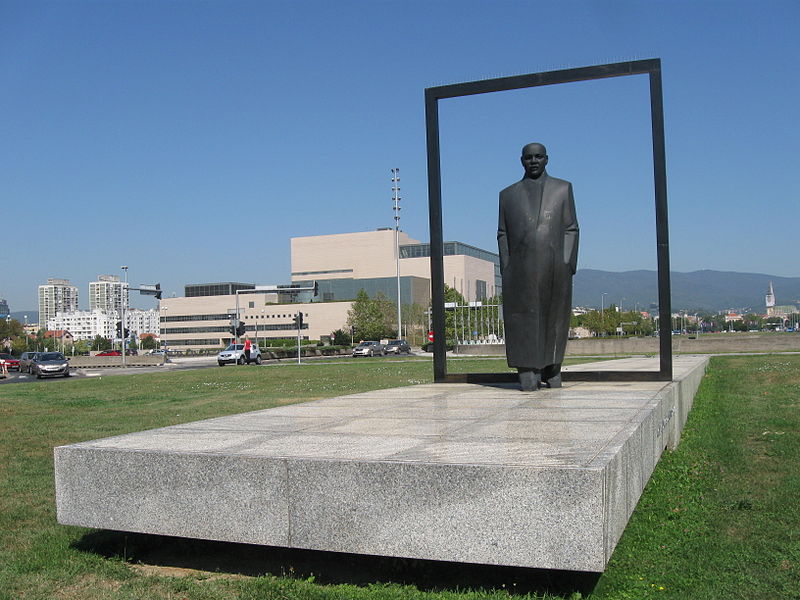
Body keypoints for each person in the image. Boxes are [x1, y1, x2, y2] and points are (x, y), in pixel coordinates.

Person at [497, 142, 579, 391]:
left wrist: (567, 263)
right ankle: (527, 368)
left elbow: (571, 228)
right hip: (519, 270)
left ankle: (552, 366)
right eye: (529, 157)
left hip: (556, 268)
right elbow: (502, 233)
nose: (533, 161)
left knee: (554, 316)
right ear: (521, 160)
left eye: (538, 157)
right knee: (523, 317)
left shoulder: (563, 189)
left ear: (546, 159)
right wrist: (506, 266)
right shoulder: (508, 194)